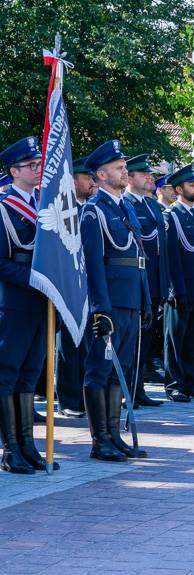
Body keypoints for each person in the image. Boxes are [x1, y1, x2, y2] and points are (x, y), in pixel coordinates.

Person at [80, 139, 151, 461]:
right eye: (119, 168)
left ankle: (113, 434)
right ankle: (100, 440)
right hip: (109, 302)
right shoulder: (93, 212)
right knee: (100, 369)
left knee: (120, 368)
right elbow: (93, 265)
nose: (125, 172)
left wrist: (146, 299)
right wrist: (99, 309)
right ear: (101, 175)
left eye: (124, 167)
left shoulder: (125, 208)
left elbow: (139, 257)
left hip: (131, 299)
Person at [0, 137, 53, 473]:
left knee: (30, 374)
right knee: (7, 374)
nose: (37, 169)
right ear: (13, 171)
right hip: (15, 301)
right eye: (31, 165)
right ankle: (9, 449)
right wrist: (35, 278)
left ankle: (27, 444)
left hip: (41, 302)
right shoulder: (4, 208)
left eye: (38, 164)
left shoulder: (45, 205)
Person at [163, 164, 194, 402]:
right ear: (179, 188)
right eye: (192, 185)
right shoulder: (171, 216)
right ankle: (174, 384)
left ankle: (190, 381)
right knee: (176, 339)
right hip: (181, 288)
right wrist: (175, 290)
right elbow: (171, 257)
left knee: (193, 338)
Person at [123, 154, 167, 408]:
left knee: (146, 340)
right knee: (131, 340)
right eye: (144, 174)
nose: (150, 177)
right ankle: (126, 389)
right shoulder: (127, 204)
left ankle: (138, 387)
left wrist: (166, 283)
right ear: (130, 178)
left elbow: (163, 249)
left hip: (155, 282)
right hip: (138, 282)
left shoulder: (152, 206)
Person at [55, 157, 96, 419]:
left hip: (89, 284)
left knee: (87, 343)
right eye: (87, 177)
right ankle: (68, 399)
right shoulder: (64, 209)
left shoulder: (90, 209)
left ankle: (83, 396)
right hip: (69, 284)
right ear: (73, 180)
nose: (92, 181)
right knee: (70, 343)